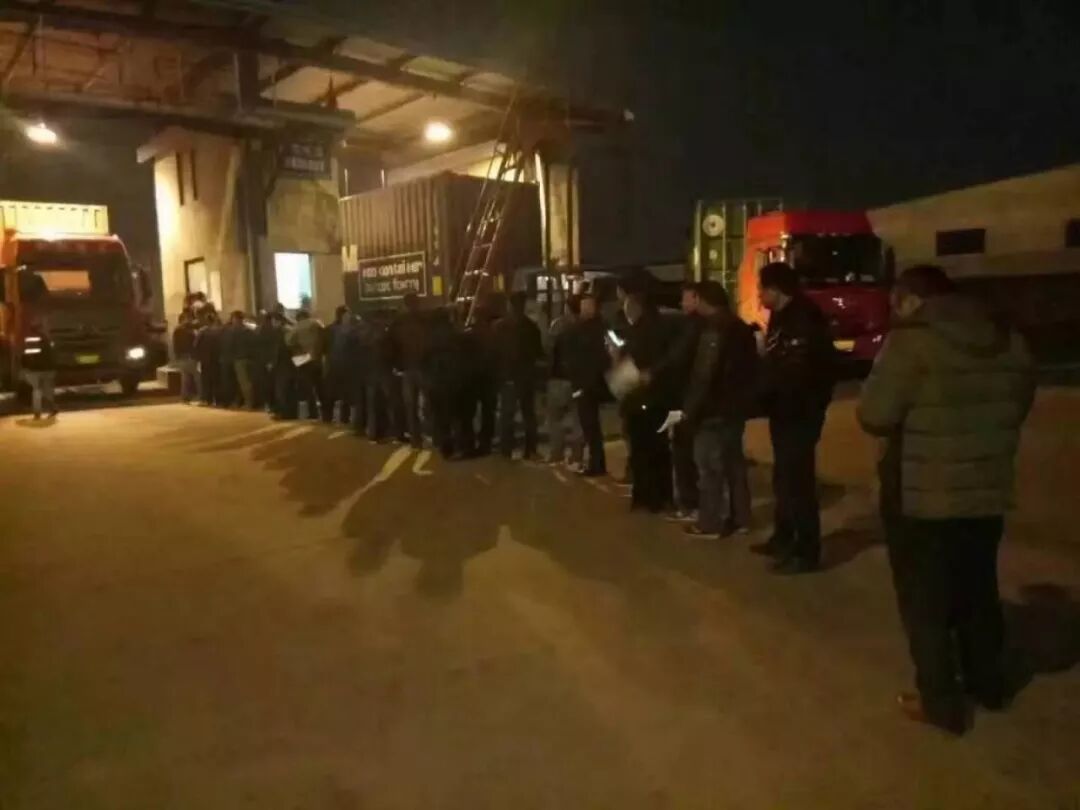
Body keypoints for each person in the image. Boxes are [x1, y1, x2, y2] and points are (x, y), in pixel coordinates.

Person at [857, 265, 1035, 735]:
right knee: (978, 590)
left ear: (914, 299)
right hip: (987, 488)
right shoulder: (1008, 339)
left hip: (923, 493)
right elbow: (1018, 405)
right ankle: (988, 685)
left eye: (897, 303)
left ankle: (940, 702)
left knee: (925, 601)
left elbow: (874, 415)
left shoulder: (911, 342)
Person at [754, 262, 835, 575]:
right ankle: (784, 536)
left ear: (776, 290)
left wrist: (768, 388)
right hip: (783, 409)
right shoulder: (782, 316)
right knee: (783, 477)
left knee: (799, 481)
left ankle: (806, 550)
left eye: (762, 289)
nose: (759, 296)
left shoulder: (804, 318)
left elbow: (798, 372)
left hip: (800, 411)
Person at [680, 281, 758, 539]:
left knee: (709, 468)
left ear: (704, 300)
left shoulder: (714, 329)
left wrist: (690, 409)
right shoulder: (740, 327)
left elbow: (705, 374)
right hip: (735, 407)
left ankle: (709, 522)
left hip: (714, 410)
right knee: (734, 464)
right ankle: (741, 518)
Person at [652, 282, 707, 520]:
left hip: (688, 397)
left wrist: (653, 372)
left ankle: (690, 505)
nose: (681, 303)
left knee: (685, 453)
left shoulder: (694, 326)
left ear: (697, 299)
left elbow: (677, 358)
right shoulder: (703, 325)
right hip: (696, 397)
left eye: (685, 298)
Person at [620, 284, 675, 512]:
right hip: (658, 398)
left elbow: (634, 365)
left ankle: (647, 496)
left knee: (642, 449)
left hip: (640, 399)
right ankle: (662, 496)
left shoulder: (638, 333)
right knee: (659, 448)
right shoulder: (662, 328)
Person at [492, 292, 544, 459]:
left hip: (508, 377)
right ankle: (530, 449)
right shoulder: (531, 327)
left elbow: (495, 353)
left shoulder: (499, 327)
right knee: (528, 414)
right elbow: (539, 353)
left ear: (510, 306)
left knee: (507, 415)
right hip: (526, 377)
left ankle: (506, 449)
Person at [566, 291, 610, 476]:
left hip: (586, 384)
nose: (586, 309)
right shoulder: (603, 327)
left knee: (590, 425)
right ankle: (597, 462)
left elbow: (572, 358)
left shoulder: (578, 330)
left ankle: (596, 464)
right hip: (596, 382)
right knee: (590, 426)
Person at [545, 294, 585, 468]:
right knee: (578, 419)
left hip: (558, 378)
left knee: (555, 418)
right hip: (578, 379)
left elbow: (548, 348)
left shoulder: (558, 325)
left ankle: (556, 453)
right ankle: (577, 456)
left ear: (567, 308)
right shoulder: (585, 326)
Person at [391, 292, 429, 447]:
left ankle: (415, 439)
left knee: (410, 406)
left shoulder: (398, 322)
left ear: (405, 304)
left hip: (406, 369)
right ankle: (434, 435)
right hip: (424, 368)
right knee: (429, 403)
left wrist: (397, 365)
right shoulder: (425, 320)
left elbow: (392, 346)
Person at [287, 309, 326, 420]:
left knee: (309, 388)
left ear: (299, 317)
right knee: (321, 386)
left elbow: (289, 341)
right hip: (318, 359)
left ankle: (314, 413)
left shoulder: (297, 327)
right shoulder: (318, 323)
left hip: (304, 360)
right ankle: (326, 412)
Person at [21, 320, 58, 420]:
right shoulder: (48, 338)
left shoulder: (31, 339)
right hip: (49, 369)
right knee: (47, 390)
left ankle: (37, 413)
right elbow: (52, 354)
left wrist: (25, 367)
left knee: (37, 390)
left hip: (35, 369)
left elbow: (28, 355)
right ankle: (53, 408)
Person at [324, 305, 354, 425]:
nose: (348, 317)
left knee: (341, 394)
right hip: (337, 365)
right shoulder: (346, 330)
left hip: (339, 365)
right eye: (347, 315)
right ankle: (334, 417)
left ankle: (339, 417)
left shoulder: (330, 329)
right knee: (334, 393)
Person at [220, 310, 255, 409]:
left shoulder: (232, 331)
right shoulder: (248, 330)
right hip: (247, 358)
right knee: (245, 382)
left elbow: (228, 345)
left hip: (238, 359)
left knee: (242, 383)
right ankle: (246, 402)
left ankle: (248, 403)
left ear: (235, 319)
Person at [195, 310, 223, 407]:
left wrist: (198, 357)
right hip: (216, 359)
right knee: (216, 380)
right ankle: (218, 400)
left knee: (206, 381)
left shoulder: (202, 331)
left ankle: (207, 400)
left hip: (205, 359)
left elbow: (196, 345)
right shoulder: (219, 331)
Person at [172, 311, 198, 404]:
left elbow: (175, 345)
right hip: (188, 356)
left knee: (186, 378)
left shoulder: (178, 330)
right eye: (188, 318)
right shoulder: (185, 330)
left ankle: (185, 397)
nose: (190, 320)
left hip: (183, 356)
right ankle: (192, 396)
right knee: (194, 377)